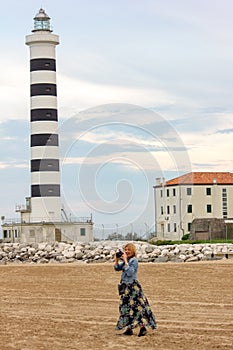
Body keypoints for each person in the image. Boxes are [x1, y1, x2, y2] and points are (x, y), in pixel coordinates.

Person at [114, 243, 156, 336]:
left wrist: (125, 261)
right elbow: (116, 268)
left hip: (133, 287)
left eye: (129, 250)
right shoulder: (128, 260)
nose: (127, 252)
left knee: (137, 307)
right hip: (125, 287)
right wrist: (117, 259)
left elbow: (130, 272)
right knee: (125, 308)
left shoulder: (133, 261)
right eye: (125, 250)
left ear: (133, 251)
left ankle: (142, 328)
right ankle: (128, 329)